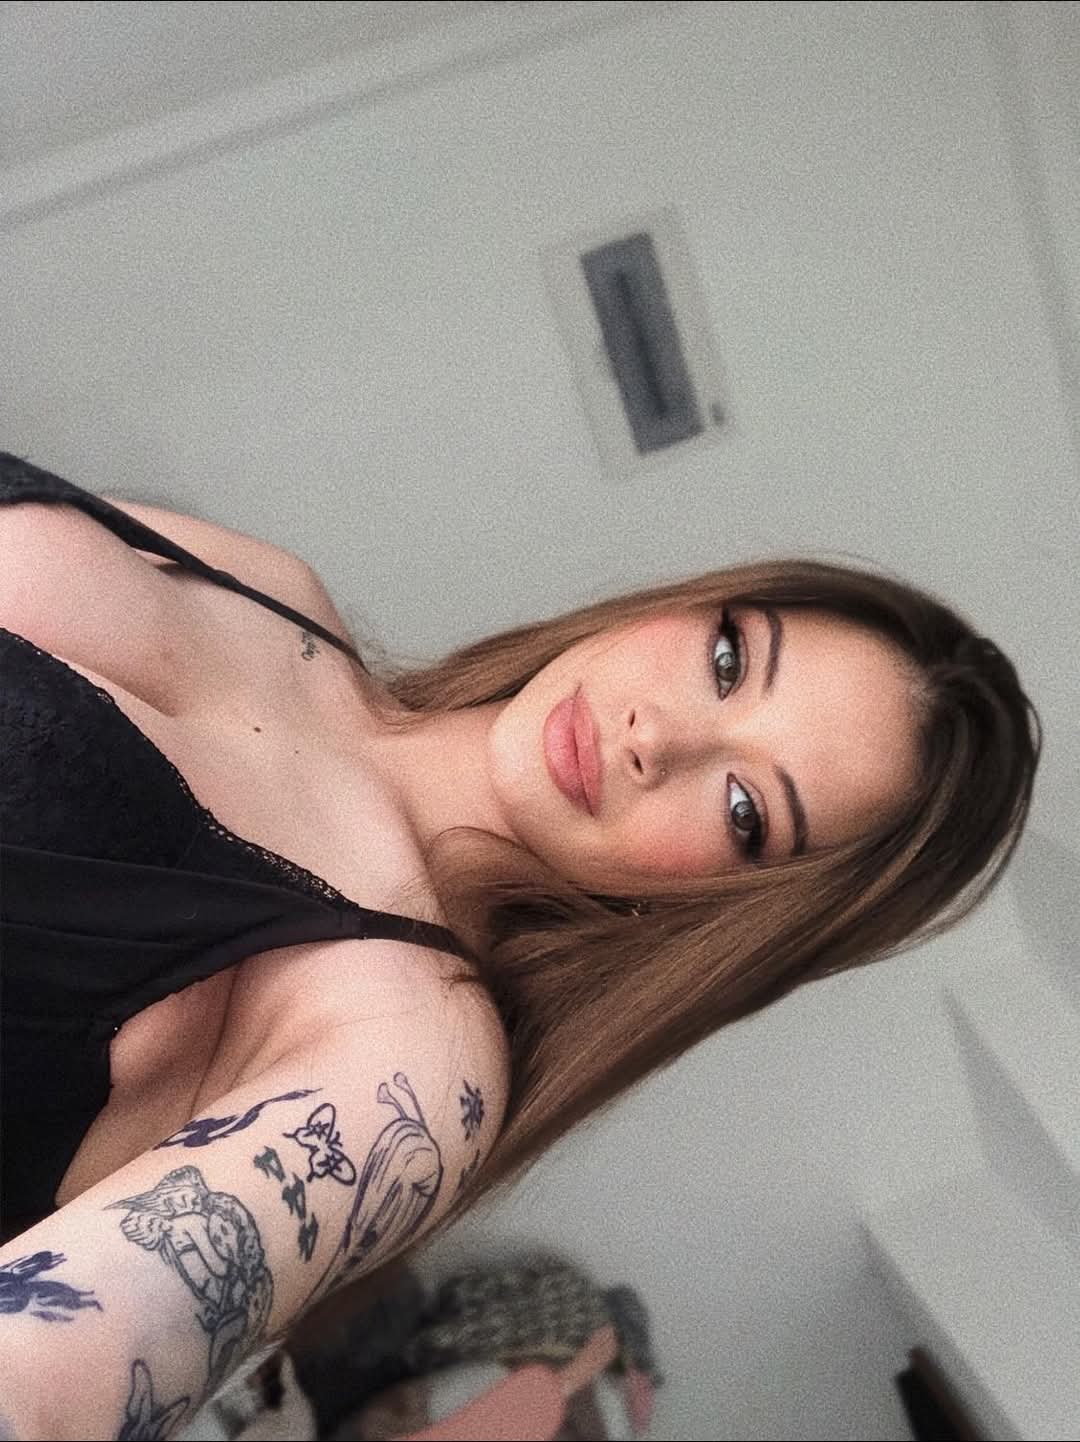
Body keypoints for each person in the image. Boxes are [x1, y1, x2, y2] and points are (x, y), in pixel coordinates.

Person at [0, 451, 1040, 1440]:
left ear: (721, 915)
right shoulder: (274, 588)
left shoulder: (413, 1053)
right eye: (728, 659)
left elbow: (37, 1393)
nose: (657, 737)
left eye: (744, 810)